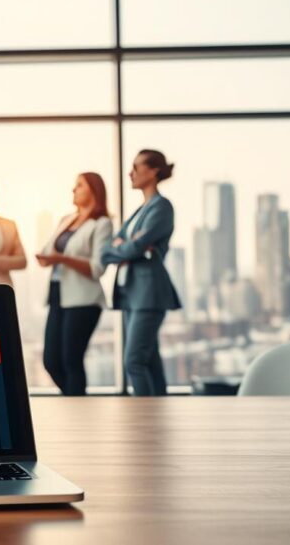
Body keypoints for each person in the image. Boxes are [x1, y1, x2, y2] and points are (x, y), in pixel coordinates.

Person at [102, 149, 181, 396]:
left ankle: (144, 419)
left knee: (133, 361)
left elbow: (133, 246)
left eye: (137, 167)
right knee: (149, 360)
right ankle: (158, 416)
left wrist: (127, 247)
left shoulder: (162, 207)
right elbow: (109, 250)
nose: (131, 173)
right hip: (130, 292)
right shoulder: (140, 211)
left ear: (154, 171)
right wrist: (128, 247)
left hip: (148, 293)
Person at [36, 173, 113, 396]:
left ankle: (76, 409)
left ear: (94, 190)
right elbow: (49, 250)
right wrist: (46, 257)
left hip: (84, 299)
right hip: (57, 295)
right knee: (51, 360)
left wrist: (61, 259)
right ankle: (74, 401)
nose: (73, 189)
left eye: (79, 185)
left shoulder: (102, 224)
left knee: (71, 360)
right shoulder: (66, 220)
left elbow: (98, 268)